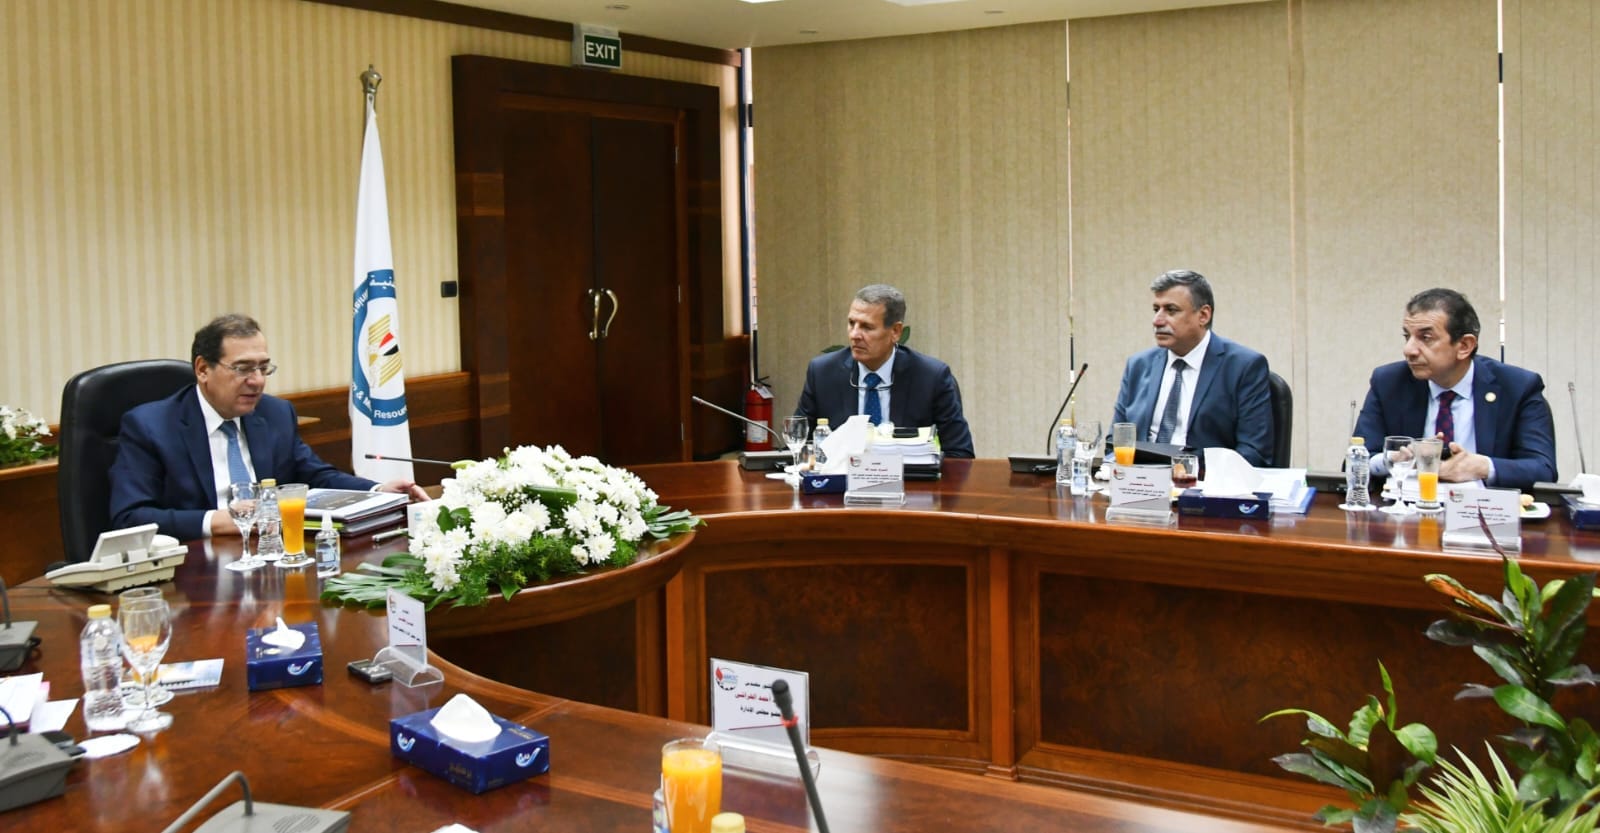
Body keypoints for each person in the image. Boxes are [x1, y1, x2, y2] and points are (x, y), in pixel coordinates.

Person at [109, 314, 428, 541]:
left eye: (264, 368)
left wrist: (377, 491)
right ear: (203, 369)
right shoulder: (150, 426)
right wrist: (219, 520)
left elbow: (315, 475)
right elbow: (131, 517)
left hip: (272, 553)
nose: (258, 381)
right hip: (197, 566)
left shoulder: (274, 413)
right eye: (243, 369)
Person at [1354, 288, 1556, 490]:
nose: (1409, 350)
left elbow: (1543, 469)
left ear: (1464, 346)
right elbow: (1356, 461)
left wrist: (1482, 467)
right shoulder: (1389, 383)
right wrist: (1393, 459)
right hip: (1407, 505)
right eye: (1408, 336)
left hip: (1484, 507)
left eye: (1426, 338)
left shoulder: (1517, 387)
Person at [1112, 270, 1275, 466]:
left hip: (1205, 481)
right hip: (1139, 480)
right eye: (1156, 309)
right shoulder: (1138, 365)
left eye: (1171, 310)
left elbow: (1254, 453)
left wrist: (1186, 468)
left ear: (1203, 315)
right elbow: (1115, 441)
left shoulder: (1243, 366)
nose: (1157, 321)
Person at [794, 284, 975, 458]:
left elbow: (960, 454)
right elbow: (798, 445)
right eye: (851, 323)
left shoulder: (931, 377)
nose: (854, 335)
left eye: (866, 327)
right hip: (840, 479)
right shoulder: (823, 373)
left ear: (895, 331)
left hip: (909, 478)